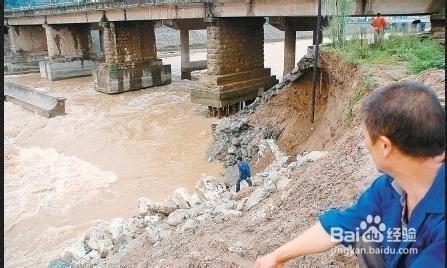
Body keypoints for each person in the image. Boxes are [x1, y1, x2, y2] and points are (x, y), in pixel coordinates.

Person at [255, 82, 445, 267]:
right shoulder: (390, 187)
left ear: (385, 146)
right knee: (366, 233)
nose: (365, 144)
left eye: (366, 137)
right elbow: (340, 226)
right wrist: (277, 256)